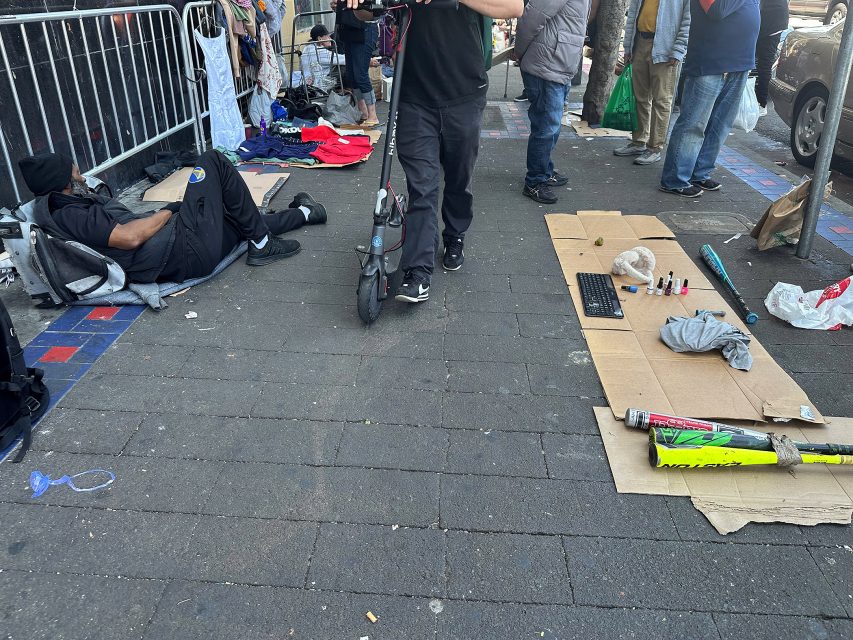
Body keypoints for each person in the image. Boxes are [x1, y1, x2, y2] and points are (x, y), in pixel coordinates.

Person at [336, 0, 523, 304]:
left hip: (464, 92)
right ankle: (417, 272)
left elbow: (514, 7)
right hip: (412, 97)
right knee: (422, 186)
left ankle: (455, 234)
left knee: (460, 176)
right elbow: (368, 13)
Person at [18, 150, 327, 283]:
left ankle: (304, 213)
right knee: (213, 161)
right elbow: (130, 237)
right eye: (72, 168)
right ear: (62, 179)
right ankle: (262, 244)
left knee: (236, 218)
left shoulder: (69, 204)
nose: (79, 172)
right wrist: (169, 211)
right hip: (181, 251)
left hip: (177, 247)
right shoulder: (69, 213)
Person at [659, 0, 760, 197]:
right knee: (693, 124)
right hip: (710, 63)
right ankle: (675, 179)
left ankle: (700, 173)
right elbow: (717, 10)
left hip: (740, 63)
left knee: (720, 125)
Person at [517, 0, 590, 204]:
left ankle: (544, 171)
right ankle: (535, 181)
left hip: (558, 63)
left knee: (551, 125)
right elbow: (531, 18)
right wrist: (520, 53)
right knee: (546, 126)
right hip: (546, 64)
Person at [612, 0, 689, 166]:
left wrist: (678, 50)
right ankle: (639, 141)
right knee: (639, 97)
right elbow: (633, 14)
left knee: (662, 100)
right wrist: (628, 47)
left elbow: (688, 20)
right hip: (640, 42)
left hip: (666, 49)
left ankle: (654, 147)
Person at [335, 3, 381, 125]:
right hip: (349, 30)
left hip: (365, 29)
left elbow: (375, 10)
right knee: (352, 75)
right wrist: (337, 6)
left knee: (361, 74)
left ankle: (373, 115)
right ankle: (363, 112)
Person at [754, 0, 788, 116]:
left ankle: (761, 103)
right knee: (763, 65)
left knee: (763, 65)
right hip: (771, 22)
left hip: (770, 24)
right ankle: (760, 102)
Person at [302, 24, 346, 92]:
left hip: (306, 81)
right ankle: (347, 90)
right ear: (320, 38)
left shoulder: (307, 48)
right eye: (328, 36)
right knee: (345, 67)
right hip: (319, 84)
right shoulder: (319, 52)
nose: (330, 39)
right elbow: (343, 60)